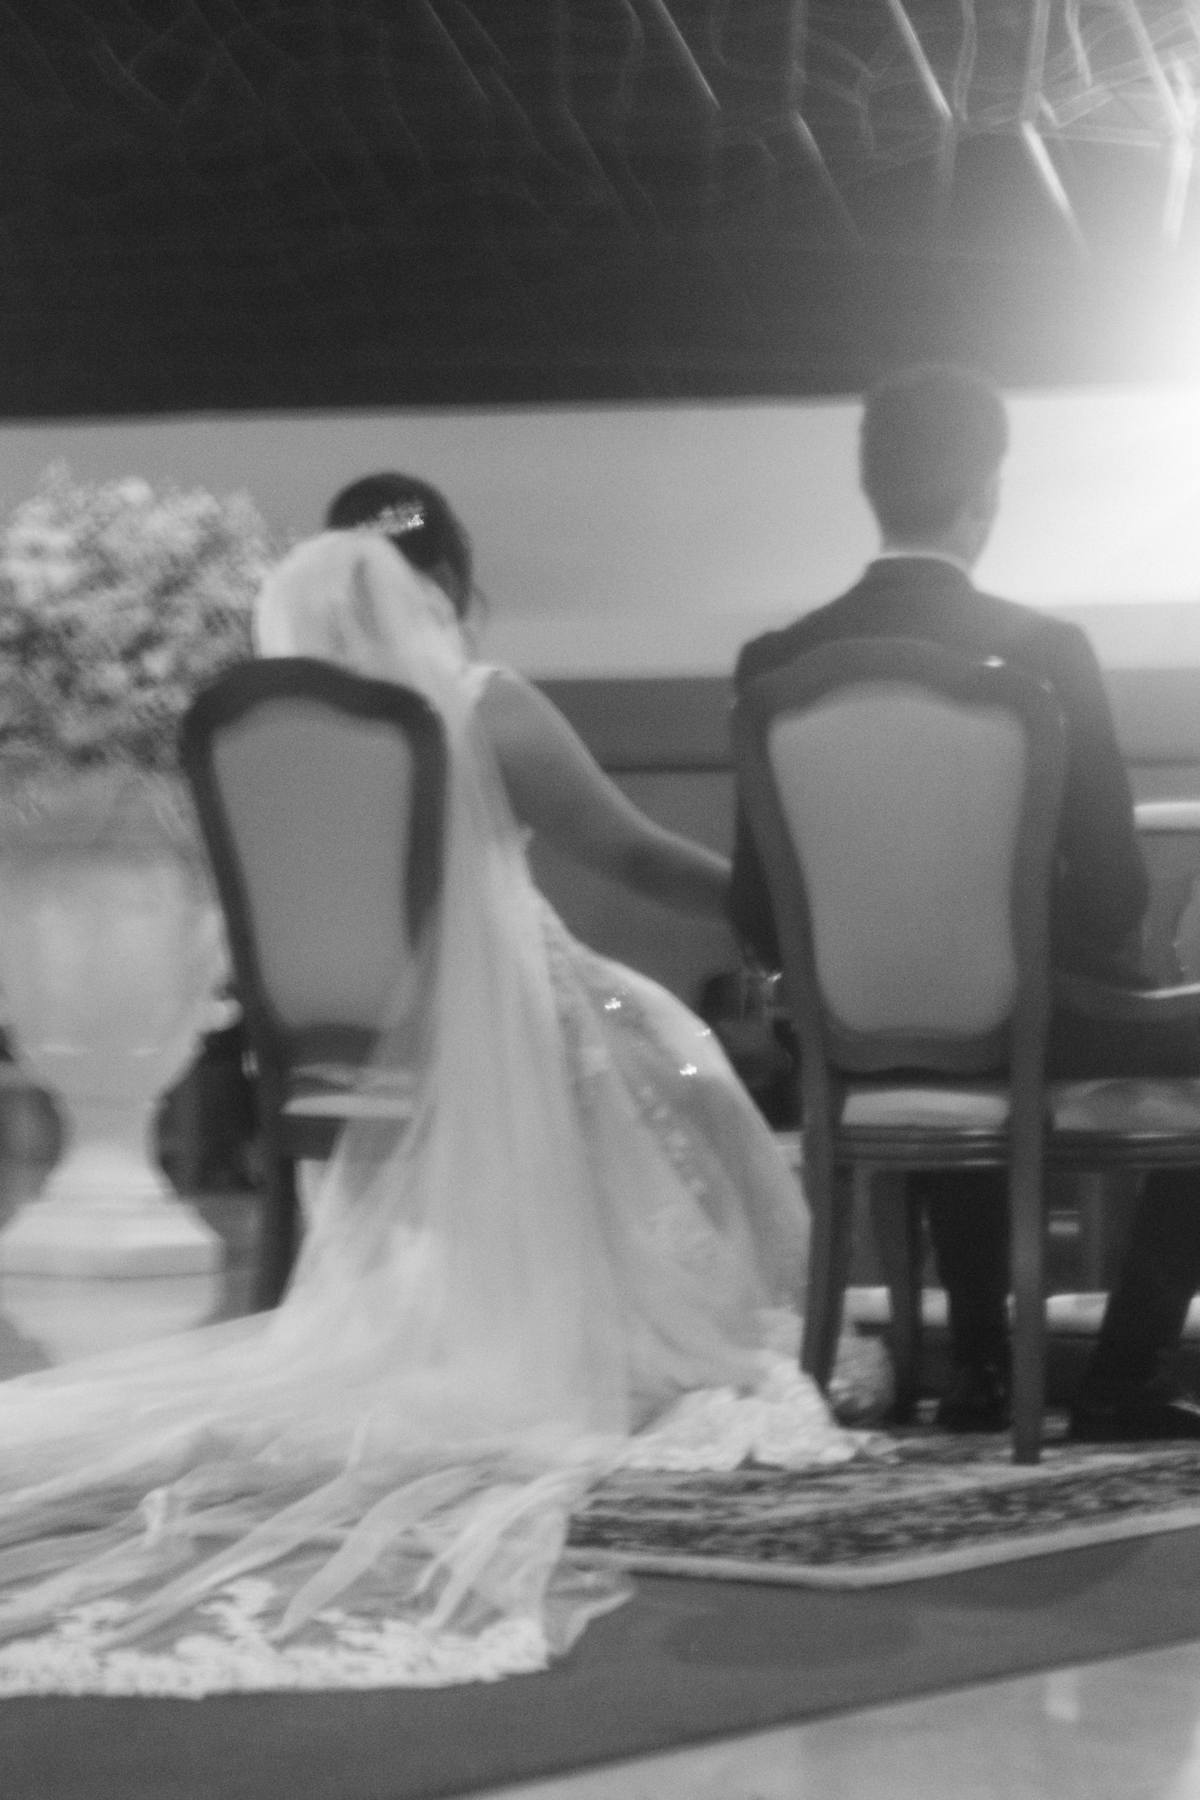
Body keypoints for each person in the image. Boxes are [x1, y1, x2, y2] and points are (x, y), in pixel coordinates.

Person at [0, 478, 861, 1699]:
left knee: (636, 1030)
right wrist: (784, 914)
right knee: (680, 1056)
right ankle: (640, 1321)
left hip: (332, 1047)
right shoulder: (481, 703)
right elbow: (628, 850)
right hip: (491, 1029)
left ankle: (468, 1316)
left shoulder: (256, 729)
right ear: (452, 586)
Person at [731, 363, 1200, 1442]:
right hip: (1036, 1014)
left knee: (959, 1034)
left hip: (847, 1034)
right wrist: (1028, 953)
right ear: (986, 493)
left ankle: (980, 1364)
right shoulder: (1047, 653)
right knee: (1034, 1014)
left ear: (872, 488)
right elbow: (1116, 889)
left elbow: (757, 910)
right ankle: (1122, 1373)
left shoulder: (775, 663)